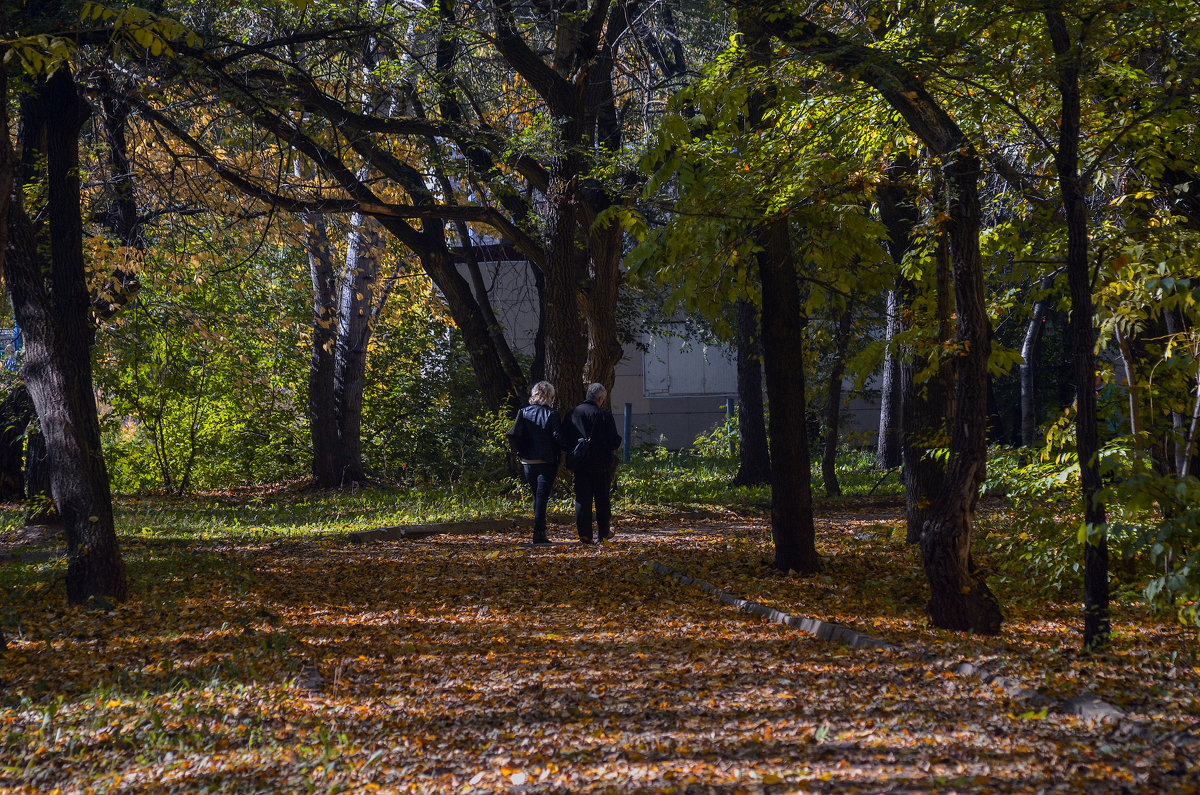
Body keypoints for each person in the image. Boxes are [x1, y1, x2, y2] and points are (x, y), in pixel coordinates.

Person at [557, 383, 622, 544]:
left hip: (580, 464)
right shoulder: (604, 415)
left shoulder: (573, 413)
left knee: (582, 499)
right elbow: (614, 442)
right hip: (601, 464)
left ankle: (585, 534)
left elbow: (563, 440)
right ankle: (603, 534)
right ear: (600, 399)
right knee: (602, 499)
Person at [509, 381, 561, 545]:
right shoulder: (552, 414)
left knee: (536, 496)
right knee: (542, 497)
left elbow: (514, 434)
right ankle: (539, 533)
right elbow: (557, 437)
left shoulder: (523, 412)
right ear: (549, 397)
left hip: (528, 461)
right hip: (546, 461)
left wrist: (519, 452)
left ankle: (539, 532)